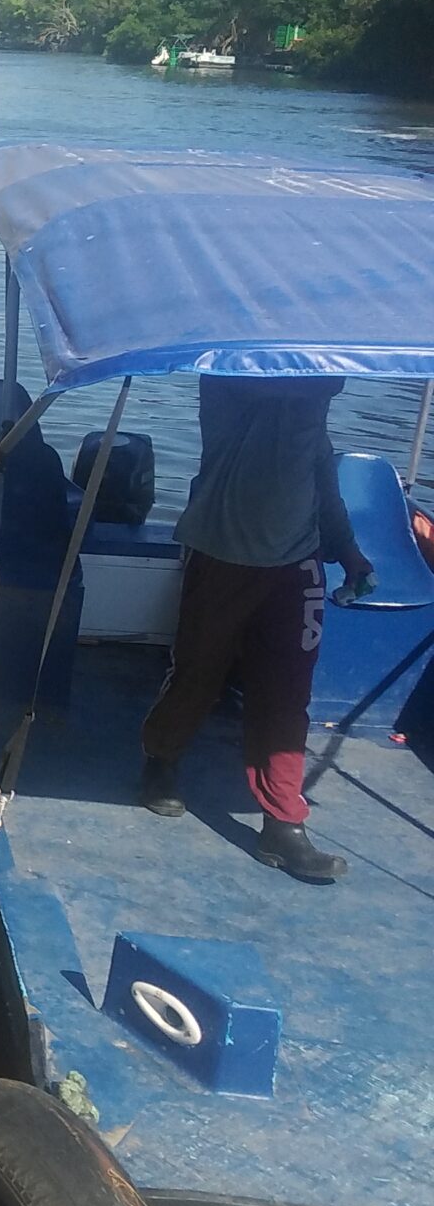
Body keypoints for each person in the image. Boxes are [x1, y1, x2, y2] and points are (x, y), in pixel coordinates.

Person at [140, 375, 375, 882]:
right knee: (198, 674)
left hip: (297, 562)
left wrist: (348, 551)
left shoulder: (312, 398)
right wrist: (324, 369)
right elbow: (286, 385)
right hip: (221, 553)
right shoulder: (230, 379)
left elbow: (323, 479)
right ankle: (161, 757)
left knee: (287, 693)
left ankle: (283, 824)